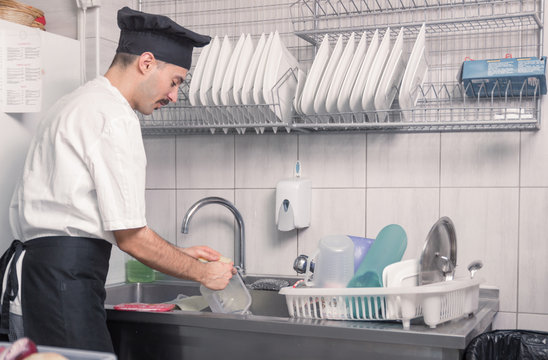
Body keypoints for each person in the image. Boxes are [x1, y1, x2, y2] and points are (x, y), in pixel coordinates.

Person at [0, 6, 234, 353]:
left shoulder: (75, 103)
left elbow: (90, 217)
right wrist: (202, 274)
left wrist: (179, 254)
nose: (172, 96)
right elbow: (132, 237)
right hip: (64, 285)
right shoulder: (113, 116)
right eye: (175, 82)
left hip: (34, 283)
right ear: (147, 63)